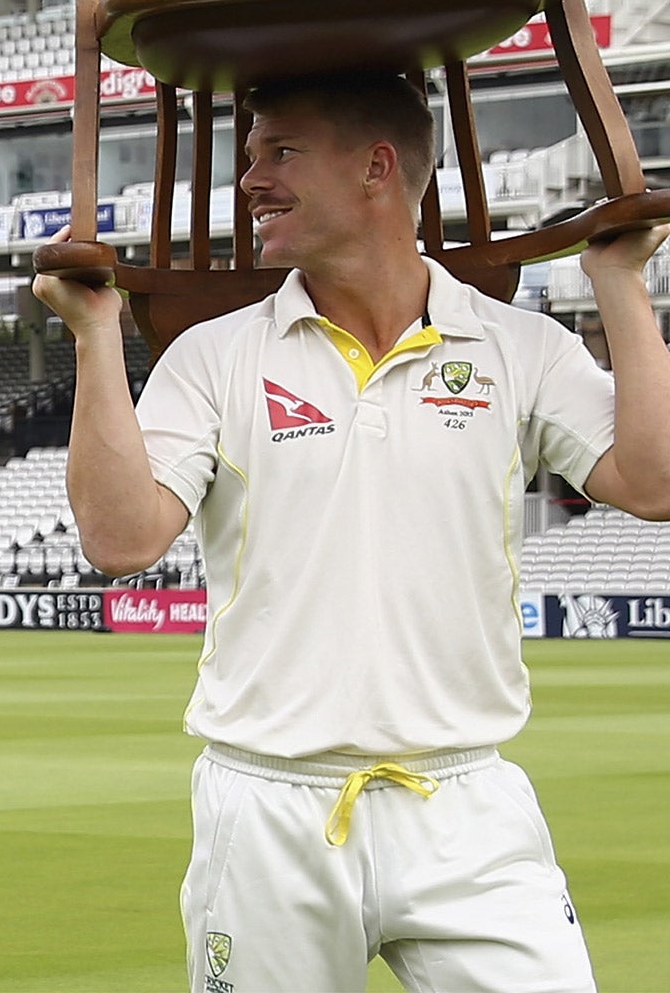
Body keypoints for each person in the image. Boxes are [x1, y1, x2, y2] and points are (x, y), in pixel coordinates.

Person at [33, 69, 670, 992]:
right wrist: (97, 336)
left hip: (465, 804)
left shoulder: (519, 346)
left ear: (377, 168)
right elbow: (122, 540)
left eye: (279, 151)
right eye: (250, 155)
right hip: (268, 807)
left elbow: (653, 483)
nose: (249, 180)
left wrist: (619, 282)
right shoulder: (214, 355)